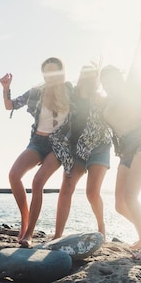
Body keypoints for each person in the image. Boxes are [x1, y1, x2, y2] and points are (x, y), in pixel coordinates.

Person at [99, 10, 141, 262]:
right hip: (126, 151)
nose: (109, 83)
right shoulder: (106, 105)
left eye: (112, 78)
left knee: (131, 197)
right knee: (119, 204)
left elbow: (137, 60)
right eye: (105, 81)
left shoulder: (131, 87)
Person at [0, 57, 71, 248]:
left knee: (37, 182)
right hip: (38, 142)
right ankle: (25, 221)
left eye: (54, 71)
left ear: (61, 72)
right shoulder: (36, 92)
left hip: (58, 146)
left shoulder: (70, 91)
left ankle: (29, 234)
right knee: (14, 175)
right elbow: (10, 105)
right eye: (46, 72)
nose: (50, 76)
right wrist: (6, 88)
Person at [51, 64, 112, 240]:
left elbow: (114, 115)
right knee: (66, 188)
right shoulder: (71, 96)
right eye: (84, 74)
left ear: (96, 80)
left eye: (92, 76)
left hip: (99, 146)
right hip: (76, 149)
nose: (87, 78)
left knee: (92, 192)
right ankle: (57, 234)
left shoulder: (99, 99)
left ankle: (101, 227)